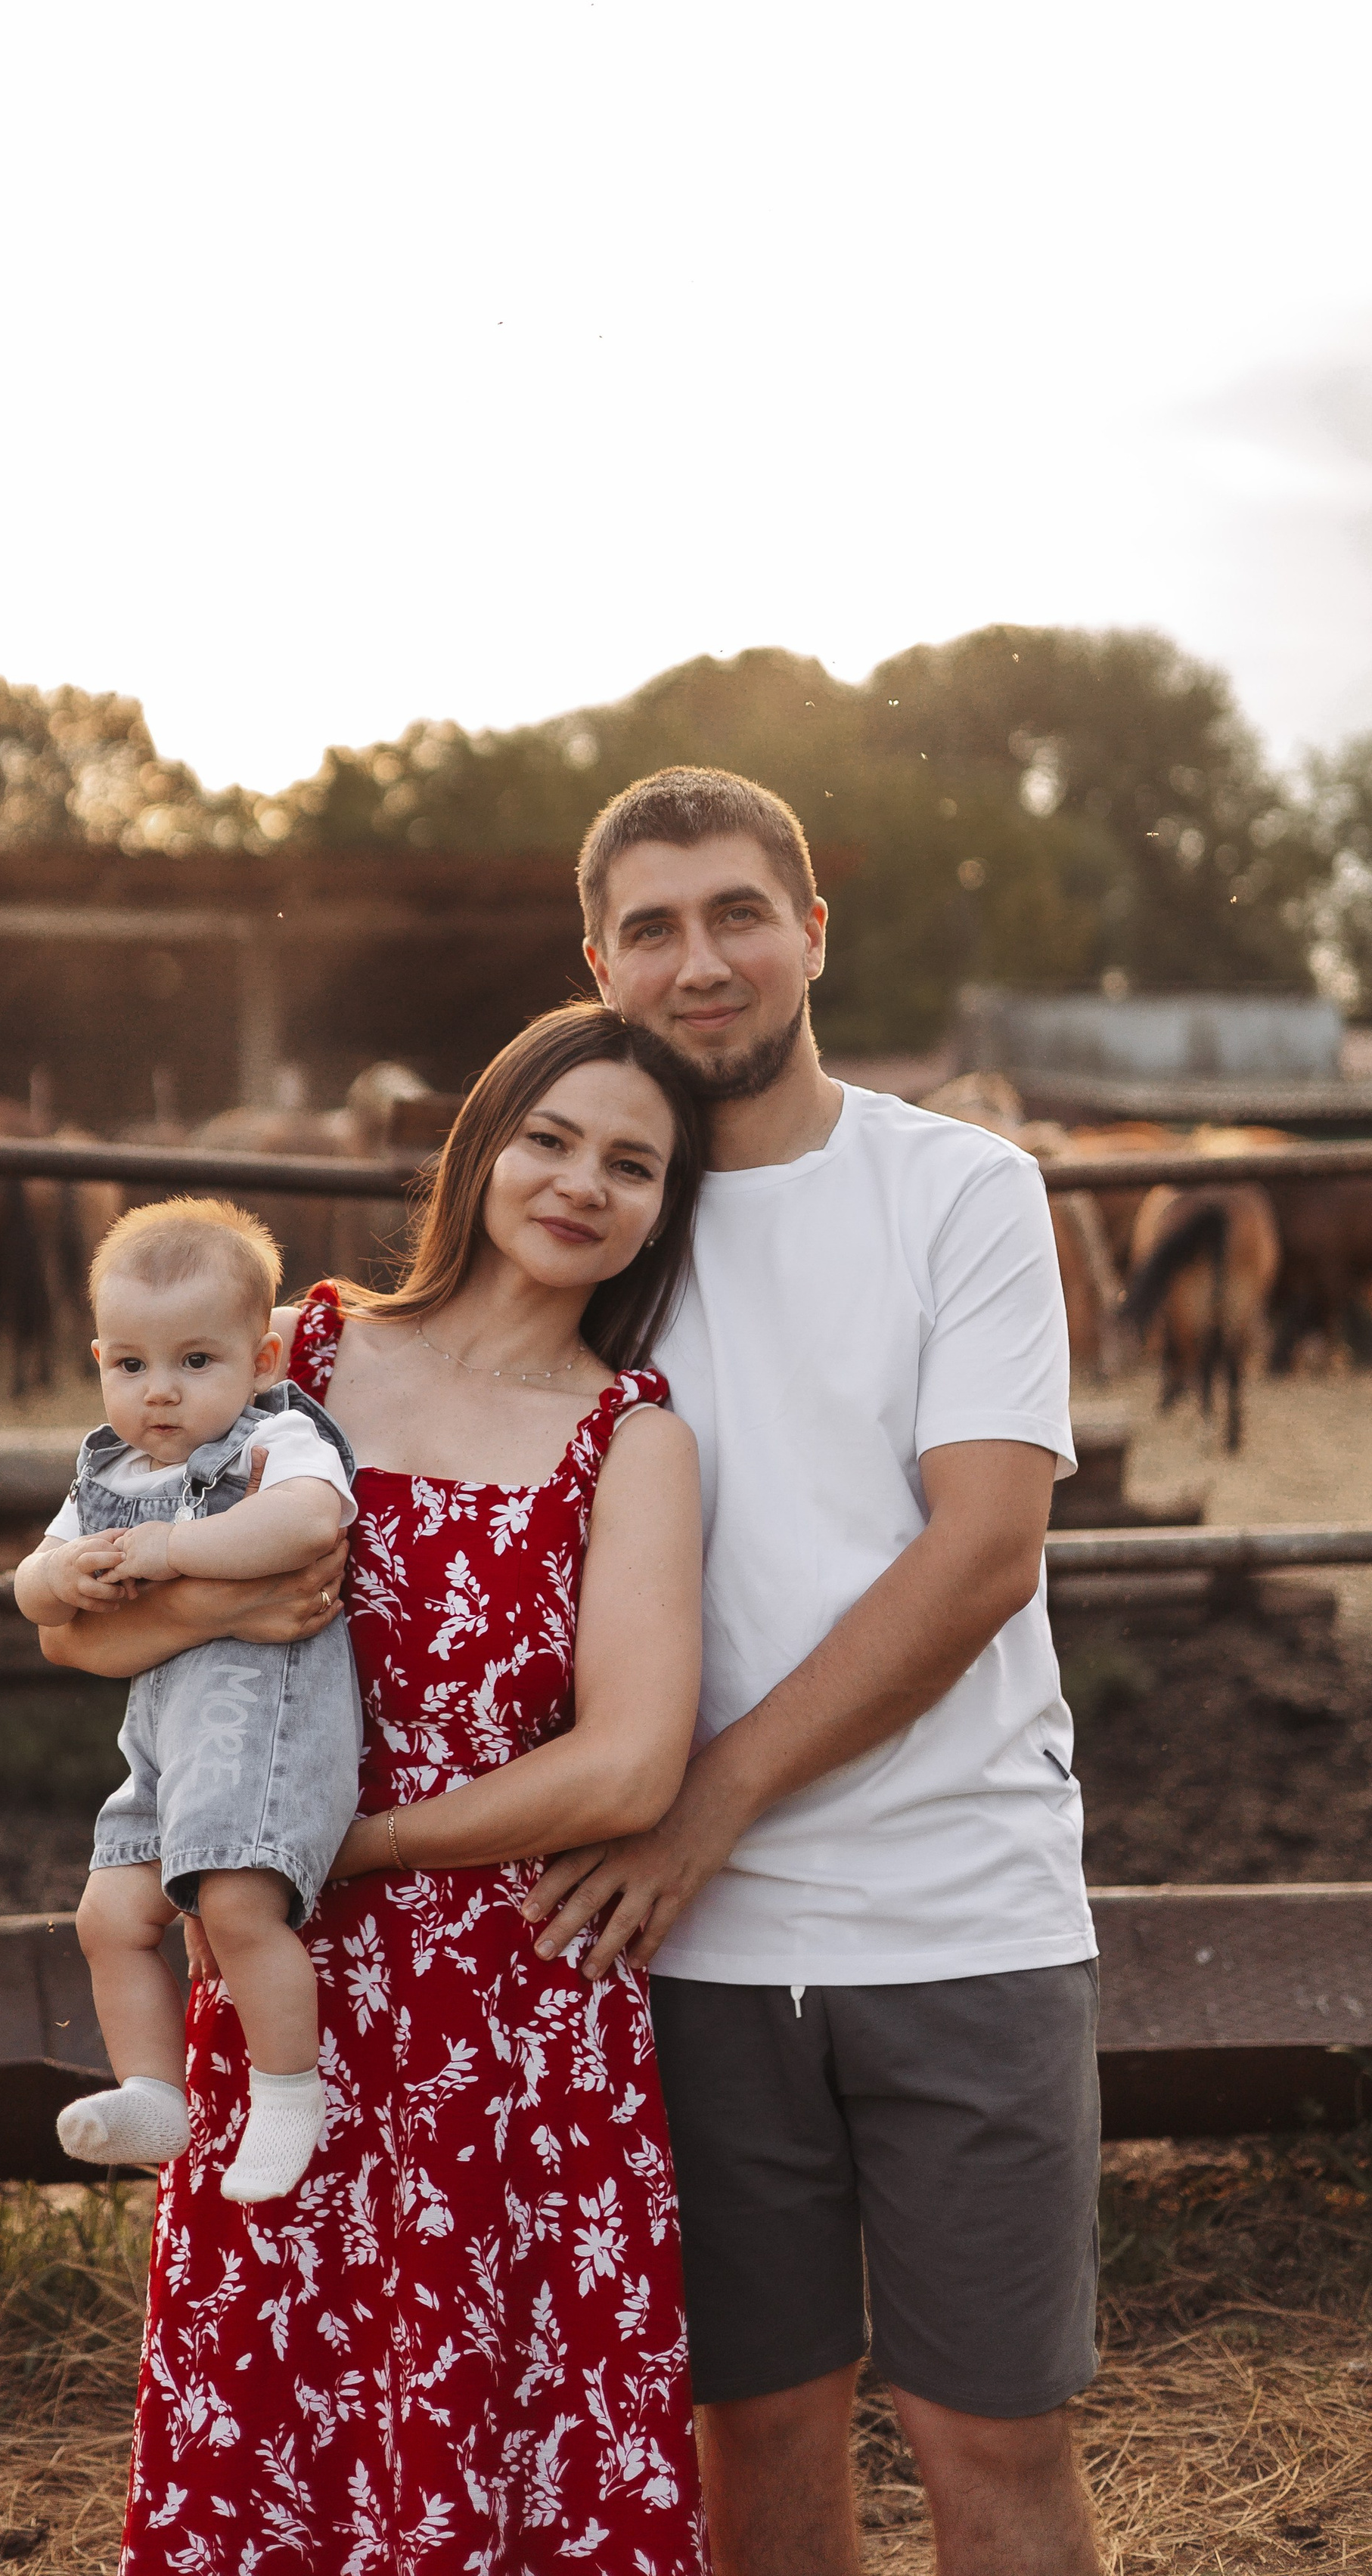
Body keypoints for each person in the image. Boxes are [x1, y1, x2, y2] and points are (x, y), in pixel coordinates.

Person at [34, 1003, 712, 2574]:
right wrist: (223, 1631)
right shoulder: (299, 1351)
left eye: (631, 1164)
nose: (579, 1184)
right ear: (480, 1143)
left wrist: (343, 1842)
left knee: (512, 2432)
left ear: (663, 1209)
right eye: (548, 1138)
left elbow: (626, 1762)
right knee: (272, 2417)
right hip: (288, 1981)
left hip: (511, 2009)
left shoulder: (631, 1438)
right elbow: (85, 1623)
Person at [528, 767, 1103, 2576]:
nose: (696, 963)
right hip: (684, 1953)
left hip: (959, 1912)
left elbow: (980, 1551)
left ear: (809, 935)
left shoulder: (961, 1192)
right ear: (600, 963)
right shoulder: (598, 1224)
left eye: (733, 915)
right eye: (649, 929)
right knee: (755, 2438)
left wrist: (706, 1805)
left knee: (989, 2443)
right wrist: (110, 1550)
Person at [14, 1197, 364, 2204]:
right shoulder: (108, 1472)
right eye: (131, 1366)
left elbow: (304, 1527)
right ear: (98, 1360)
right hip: (163, 1754)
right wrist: (62, 1577)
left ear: (261, 1359)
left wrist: (170, 1550)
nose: (159, 1393)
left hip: (268, 1736)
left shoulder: (278, 1439)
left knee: (238, 1905)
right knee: (107, 1915)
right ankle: (155, 2093)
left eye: (194, 1363)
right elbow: (34, 1588)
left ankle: (289, 2089)